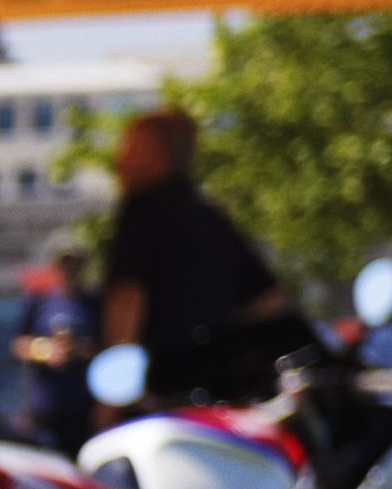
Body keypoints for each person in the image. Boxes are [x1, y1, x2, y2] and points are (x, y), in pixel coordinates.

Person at [91, 106, 308, 409]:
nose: (120, 158)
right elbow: (271, 299)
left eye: (130, 147)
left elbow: (128, 299)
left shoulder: (141, 211)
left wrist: (112, 397)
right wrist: (216, 334)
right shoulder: (211, 216)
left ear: (158, 155)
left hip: (158, 392)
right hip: (218, 395)